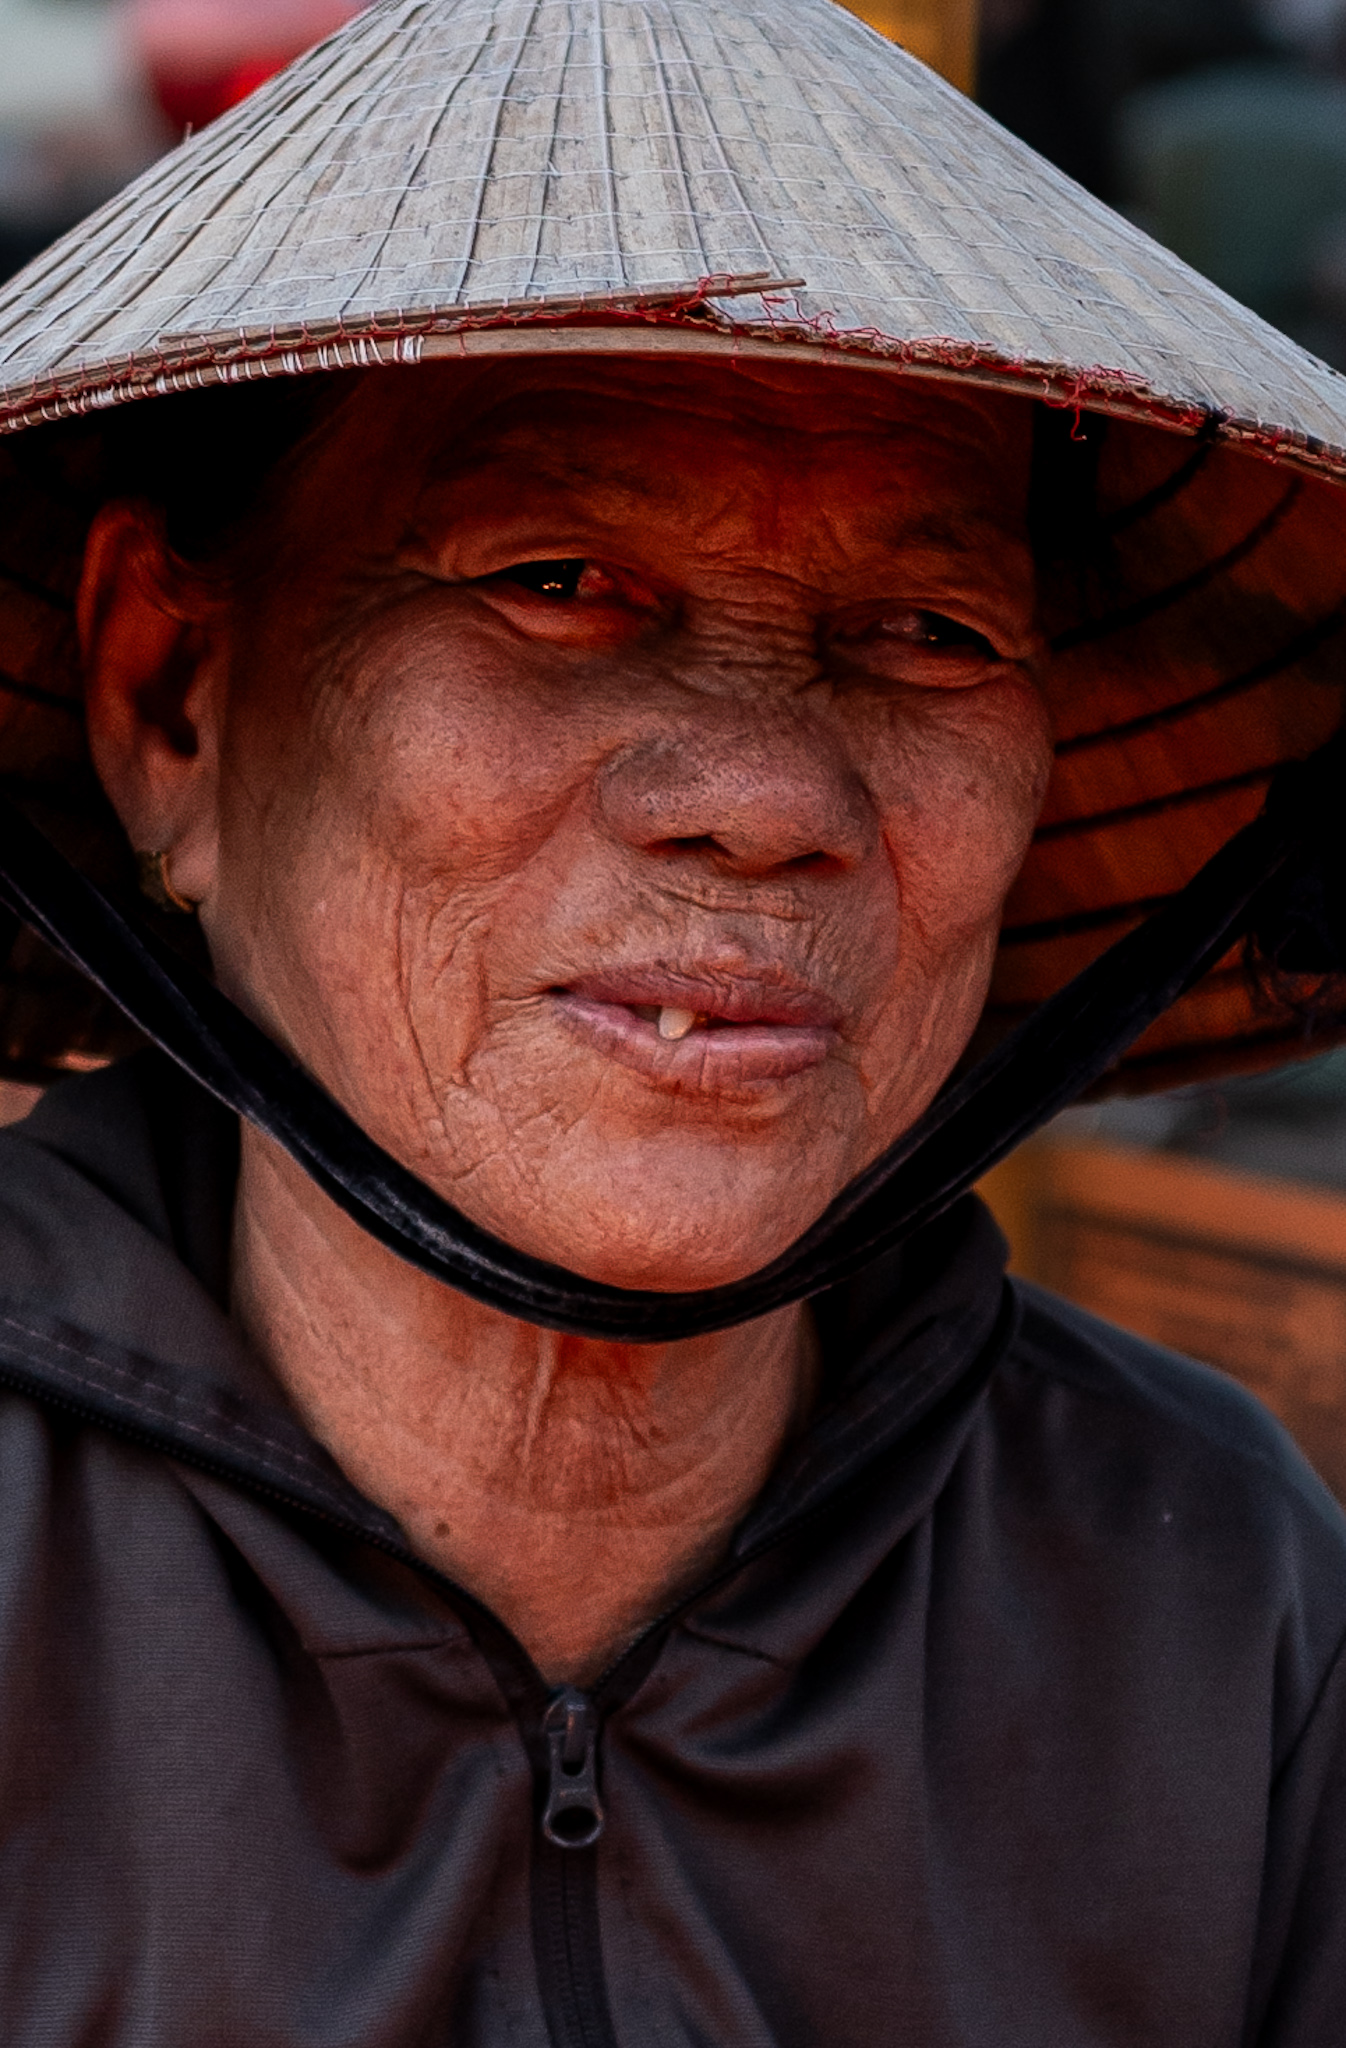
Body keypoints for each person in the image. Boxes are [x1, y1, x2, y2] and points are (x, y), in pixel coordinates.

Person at [0, 0, 1342, 2040]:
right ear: (174, 699)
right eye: (551, 577)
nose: (768, 799)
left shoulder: (1216, 1599)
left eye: (925, 633)